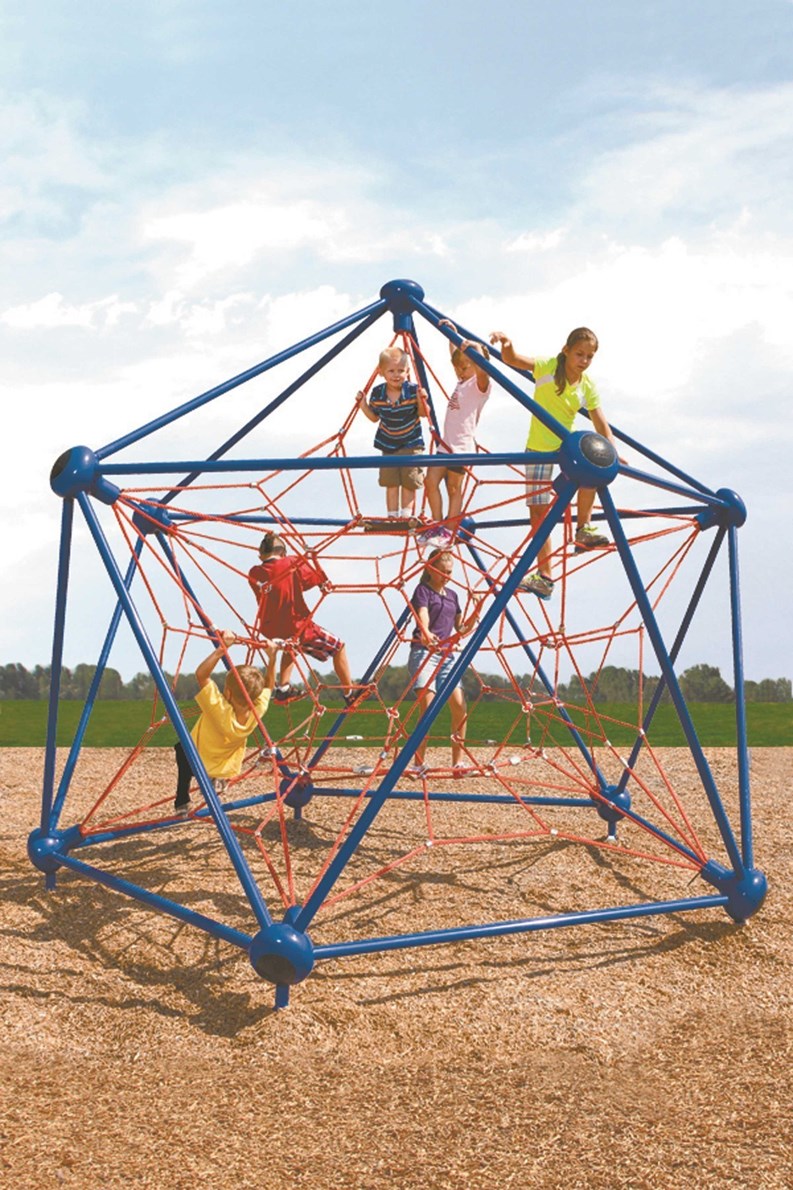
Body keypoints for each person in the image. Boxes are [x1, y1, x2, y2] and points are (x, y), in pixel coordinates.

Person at [488, 326, 619, 600]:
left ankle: (583, 529)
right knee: (538, 514)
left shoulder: (587, 386)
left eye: (589, 356)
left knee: (591, 466)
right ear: (566, 351)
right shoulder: (548, 367)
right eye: (579, 354)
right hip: (538, 448)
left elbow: (600, 422)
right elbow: (513, 361)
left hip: (564, 447)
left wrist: (612, 451)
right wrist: (508, 343)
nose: (583, 361)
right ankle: (545, 576)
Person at [248, 532, 362, 707]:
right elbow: (313, 578)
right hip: (298, 625)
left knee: (290, 646)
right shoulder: (292, 563)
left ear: (261, 555)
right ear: (283, 552)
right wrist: (322, 579)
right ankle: (349, 693)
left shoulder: (254, 572)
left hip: (269, 628)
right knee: (339, 647)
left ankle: (283, 689)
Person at [173, 630, 278, 815]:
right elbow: (270, 685)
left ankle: (182, 801)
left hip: (198, 763)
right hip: (224, 767)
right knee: (192, 752)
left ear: (228, 693)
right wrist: (272, 657)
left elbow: (201, 675)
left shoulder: (219, 709)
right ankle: (216, 778)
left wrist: (222, 648)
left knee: (181, 748)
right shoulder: (257, 710)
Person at [418, 320, 492, 549]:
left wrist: (477, 351)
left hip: (461, 447)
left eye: (466, 365)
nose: (461, 370)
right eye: (459, 366)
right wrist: (452, 333)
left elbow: (483, 371)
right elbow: (454, 352)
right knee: (430, 481)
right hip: (446, 445)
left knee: (453, 488)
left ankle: (449, 531)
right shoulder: (461, 382)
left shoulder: (480, 386)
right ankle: (438, 524)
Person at [406, 549, 479, 777]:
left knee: (459, 706)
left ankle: (457, 764)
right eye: (442, 571)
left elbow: (462, 629)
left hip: (447, 656)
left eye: (449, 572)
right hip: (424, 653)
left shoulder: (453, 596)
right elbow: (423, 616)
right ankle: (418, 763)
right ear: (430, 569)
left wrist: (477, 609)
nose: (446, 576)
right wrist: (426, 633)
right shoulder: (423, 591)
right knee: (427, 707)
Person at [356, 346, 428, 520]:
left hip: (411, 442)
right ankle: (392, 516)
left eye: (401, 371)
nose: (396, 375)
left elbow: (423, 413)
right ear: (381, 372)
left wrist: (422, 400)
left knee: (409, 482)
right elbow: (374, 418)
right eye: (391, 371)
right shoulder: (378, 393)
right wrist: (363, 405)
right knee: (391, 483)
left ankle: (406, 515)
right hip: (389, 444)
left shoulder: (413, 390)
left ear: (408, 371)